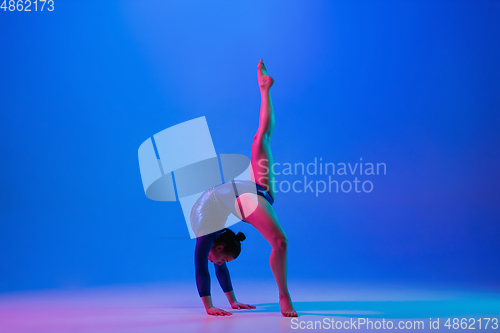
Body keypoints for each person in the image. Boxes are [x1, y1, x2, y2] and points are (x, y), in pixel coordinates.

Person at [191, 59, 297, 317]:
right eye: (225, 260)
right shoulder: (214, 240)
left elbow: (201, 268)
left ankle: (284, 296)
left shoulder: (204, 229)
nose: (221, 264)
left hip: (248, 196)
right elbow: (217, 266)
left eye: (224, 260)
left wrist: (209, 307)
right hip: (259, 191)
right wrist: (233, 301)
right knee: (262, 137)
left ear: (217, 248)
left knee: (279, 242)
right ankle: (265, 89)